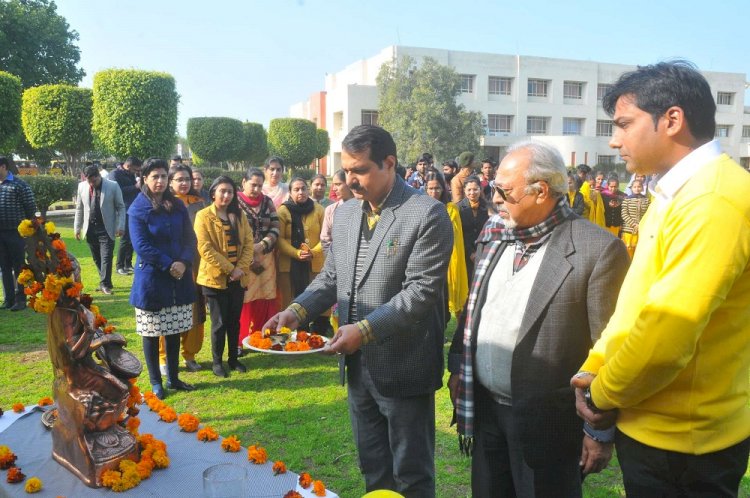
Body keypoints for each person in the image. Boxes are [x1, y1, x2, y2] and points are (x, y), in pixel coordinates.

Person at [572, 61, 750, 497]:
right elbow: (636, 303)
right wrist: (595, 366)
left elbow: (667, 334)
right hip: (656, 427)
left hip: (687, 443)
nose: (614, 141)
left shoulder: (713, 200)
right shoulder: (678, 192)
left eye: (624, 124)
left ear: (672, 120)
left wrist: (601, 395)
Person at [264, 125, 453, 496]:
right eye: (347, 171)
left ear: (389, 163)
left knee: (411, 474)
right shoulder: (347, 214)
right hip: (357, 368)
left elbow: (419, 293)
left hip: (404, 365)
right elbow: (332, 277)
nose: (350, 181)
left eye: (360, 170)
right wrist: (297, 311)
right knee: (372, 467)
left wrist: (362, 330)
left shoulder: (427, 214)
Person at [450, 140, 630, 497]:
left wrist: (599, 431)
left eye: (504, 190)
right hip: (487, 412)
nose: (495, 198)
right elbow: (475, 307)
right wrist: (460, 365)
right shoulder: (495, 233)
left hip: (550, 427)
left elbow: (609, 350)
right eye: (493, 189)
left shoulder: (597, 249)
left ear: (541, 191)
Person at [128, 158, 197, 399]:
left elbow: (190, 239)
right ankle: (156, 381)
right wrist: (170, 264)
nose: (160, 181)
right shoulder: (137, 209)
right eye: (154, 176)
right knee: (152, 331)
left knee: (173, 329)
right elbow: (142, 246)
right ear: (144, 178)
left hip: (179, 276)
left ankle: (174, 378)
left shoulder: (177, 205)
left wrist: (183, 262)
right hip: (152, 279)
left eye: (163, 176)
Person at [195, 176, 254, 378]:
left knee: (234, 321)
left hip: (238, 279)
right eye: (222, 191)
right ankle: (217, 361)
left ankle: (233, 359)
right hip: (215, 279)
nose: (227, 195)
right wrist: (231, 269)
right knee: (219, 323)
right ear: (213, 193)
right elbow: (205, 249)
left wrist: (240, 268)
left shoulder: (239, 215)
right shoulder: (203, 216)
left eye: (230, 192)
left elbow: (248, 243)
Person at [157, 164, 207, 374]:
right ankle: (164, 357)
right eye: (179, 179)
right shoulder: (162, 204)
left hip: (197, 261)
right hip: (170, 261)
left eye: (187, 179)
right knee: (169, 310)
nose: (185, 183)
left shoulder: (200, 204)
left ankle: (190, 353)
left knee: (195, 309)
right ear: (170, 181)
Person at [276, 177, 327, 333]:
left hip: (314, 262)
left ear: (308, 190)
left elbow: (325, 236)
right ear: (290, 192)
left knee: (315, 295)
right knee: (289, 299)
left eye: (303, 188)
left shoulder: (318, 209)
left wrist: (313, 252)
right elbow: (279, 239)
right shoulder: (283, 211)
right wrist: (297, 253)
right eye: (296, 189)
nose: (301, 192)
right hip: (289, 265)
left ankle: (318, 330)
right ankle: (287, 332)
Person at [237, 168, 280, 350]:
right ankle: (239, 340)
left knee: (265, 295)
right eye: (253, 184)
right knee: (245, 298)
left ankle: (263, 335)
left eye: (259, 185)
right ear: (243, 182)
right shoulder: (235, 201)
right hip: (242, 257)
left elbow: (276, 227)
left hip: (265, 256)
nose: (256, 189)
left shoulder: (267, 201)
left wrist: (262, 244)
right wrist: (249, 250)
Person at [74, 164, 125, 295]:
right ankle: (106, 281)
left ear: (98, 175)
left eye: (94, 181)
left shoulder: (113, 186)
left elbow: (121, 207)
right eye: (89, 181)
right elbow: (79, 208)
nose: (91, 184)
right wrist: (77, 227)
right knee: (97, 258)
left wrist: (121, 225)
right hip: (90, 229)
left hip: (107, 228)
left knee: (106, 257)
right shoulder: (82, 186)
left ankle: (104, 284)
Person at [425, 172, 467, 323]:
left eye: (437, 188)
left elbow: (456, 239)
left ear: (443, 189)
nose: (434, 192)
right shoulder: (421, 208)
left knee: (444, 304)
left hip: (448, 260)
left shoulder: (451, 209)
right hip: (426, 261)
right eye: (430, 188)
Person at [0, 156, 36, 311]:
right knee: (4, 266)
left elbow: (30, 208)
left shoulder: (19, 185)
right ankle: (8, 298)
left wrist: (27, 228)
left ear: (3, 167)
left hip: (16, 232)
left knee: (19, 266)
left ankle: (21, 299)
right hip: (1, 233)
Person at [112, 156, 142, 275]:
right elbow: (117, 191)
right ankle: (119, 265)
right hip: (123, 209)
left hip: (133, 208)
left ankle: (128, 263)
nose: (136, 172)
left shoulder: (130, 174)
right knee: (124, 238)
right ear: (128, 166)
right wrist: (135, 187)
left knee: (131, 238)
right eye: (135, 170)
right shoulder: (115, 174)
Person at [457, 177, 490, 280]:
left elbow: (489, 231)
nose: (472, 193)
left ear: (480, 189)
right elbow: (459, 233)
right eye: (469, 190)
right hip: (465, 253)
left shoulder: (488, 207)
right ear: (464, 191)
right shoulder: (458, 208)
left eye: (475, 189)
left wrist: (479, 251)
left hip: (484, 252)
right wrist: (470, 252)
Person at [320, 169, 354, 254]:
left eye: (338, 184)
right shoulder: (331, 210)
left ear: (349, 184)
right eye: (333, 185)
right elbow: (325, 240)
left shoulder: (363, 207)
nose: (334, 189)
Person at [620, 179, 649, 258]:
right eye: (635, 187)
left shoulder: (646, 200)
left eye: (639, 187)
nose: (637, 188)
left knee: (639, 251)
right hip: (628, 230)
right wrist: (634, 224)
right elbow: (624, 214)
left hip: (641, 229)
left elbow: (648, 214)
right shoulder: (627, 199)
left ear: (642, 188)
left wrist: (641, 225)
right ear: (631, 188)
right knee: (628, 250)